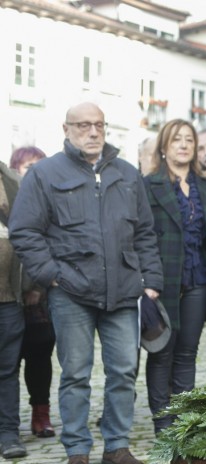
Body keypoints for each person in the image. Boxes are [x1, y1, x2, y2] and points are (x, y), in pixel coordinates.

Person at [9, 102, 163, 464]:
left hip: (124, 290)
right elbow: (24, 230)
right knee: (76, 374)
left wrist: (151, 279)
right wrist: (51, 275)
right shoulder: (44, 174)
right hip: (71, 292)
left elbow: (144, 232)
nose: (92, 132)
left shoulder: (127, 174)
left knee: (124, 371)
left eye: (98, 125)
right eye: (82, 126)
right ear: (66, 129)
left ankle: (117, 446)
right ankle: (77, 449)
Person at [143, 119, 206, 435]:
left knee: (188, 351)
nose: (184, 145)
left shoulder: (205, 187)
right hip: (163, 280)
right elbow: (143, 234)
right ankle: (163, 424)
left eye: (189, 139)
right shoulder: (149, 185)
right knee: (162, 351)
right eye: (176, 139)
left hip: (199, 280)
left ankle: (183, 422)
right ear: (164, 147)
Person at [9, 146, 55, 439]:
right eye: (28, 166)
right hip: (7, 297)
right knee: (7, 364)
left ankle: (41, 415)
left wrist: (37, 287)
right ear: (15, 170)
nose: (34, 171)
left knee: (40, 358)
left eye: (40, 165)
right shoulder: (7, 202)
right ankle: (8, 421)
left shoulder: (48, 202)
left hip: (38, 301)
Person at [0, 159, 26, 460]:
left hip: (8, 296)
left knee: (7, 369)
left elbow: (28, 234)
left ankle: (8, 433)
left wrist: (31, 284)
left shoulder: (14, 182)